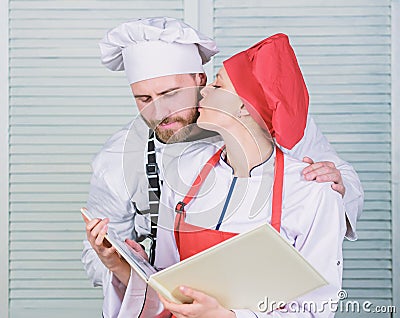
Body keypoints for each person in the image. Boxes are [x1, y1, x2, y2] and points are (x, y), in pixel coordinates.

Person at [81, 17, 363, 317]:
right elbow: (119, 263)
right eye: (144, 99)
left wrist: (333, 185)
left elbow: (336, 190)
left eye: (170, 94)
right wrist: (120, 264)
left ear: (201, 82)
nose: (159, 111)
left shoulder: (280, 123)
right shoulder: (124, 158)